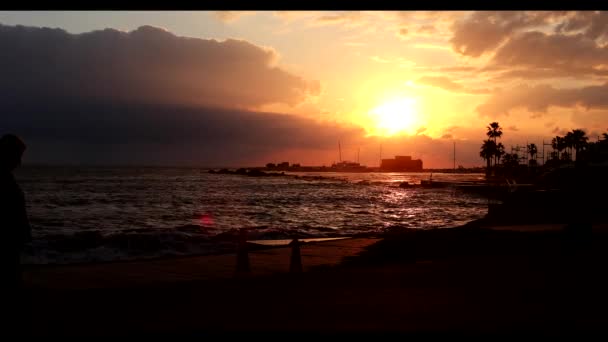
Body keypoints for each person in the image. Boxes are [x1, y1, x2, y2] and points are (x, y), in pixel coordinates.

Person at [0, 134, 31, 325]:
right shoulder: (3, 180)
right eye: (17, 156)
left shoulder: (6, 178)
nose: (19, 162)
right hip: (5, 243)